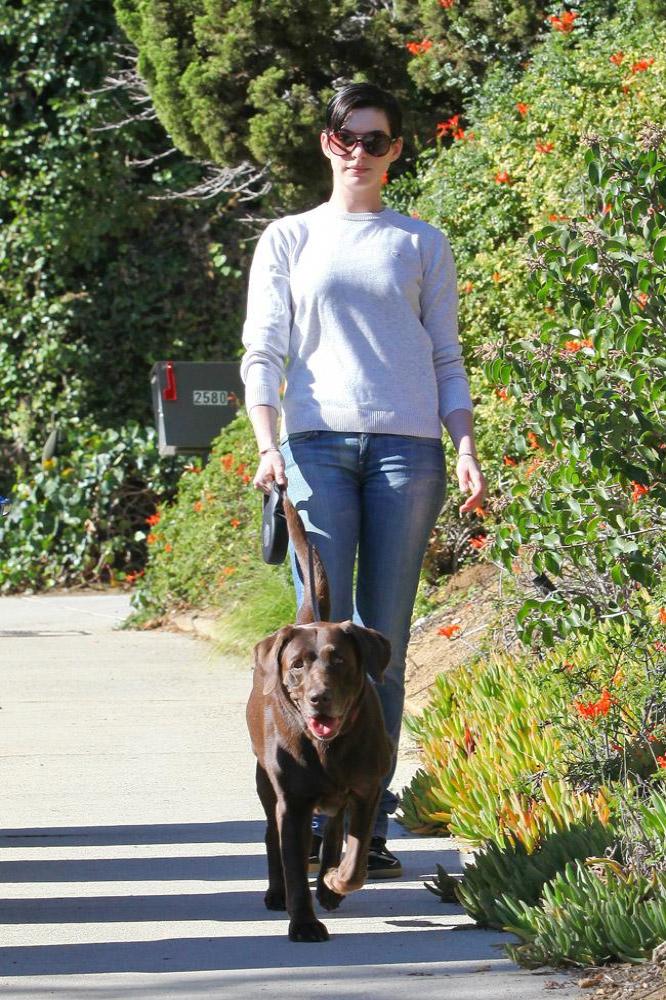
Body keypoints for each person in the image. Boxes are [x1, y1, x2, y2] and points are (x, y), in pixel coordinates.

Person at [240, 82, 486, 878]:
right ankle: (310, 804)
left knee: (383, 640)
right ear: (326, 143)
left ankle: (364, 824)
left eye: (376, 140)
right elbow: (264, 349)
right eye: (347, 137)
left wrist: (466, 445)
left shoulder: (420, 242)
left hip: (407, 451)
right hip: (312, 446)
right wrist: (267, 441)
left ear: (396, 151)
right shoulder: (288, 237)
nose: (360, 152)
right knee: (316, 632)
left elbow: (446, 356)